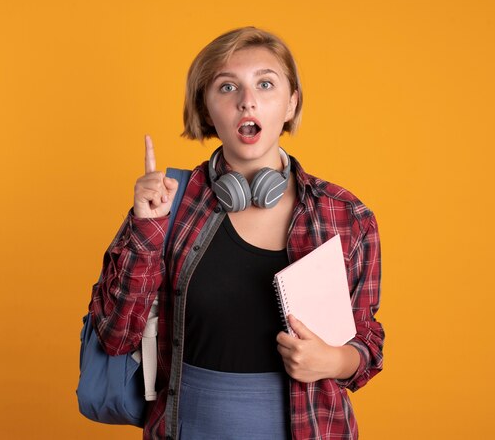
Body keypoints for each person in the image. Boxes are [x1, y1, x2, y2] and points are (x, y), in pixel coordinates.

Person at [90, 26, 384, 440]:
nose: (247, 100)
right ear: (207, 110)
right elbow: (115, 335)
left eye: (265, 84)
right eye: (227, 87)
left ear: (290, 104)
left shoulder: (345, 215)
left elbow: (368, 342)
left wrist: (334, 362)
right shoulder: (169, 203)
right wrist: (146, 229)